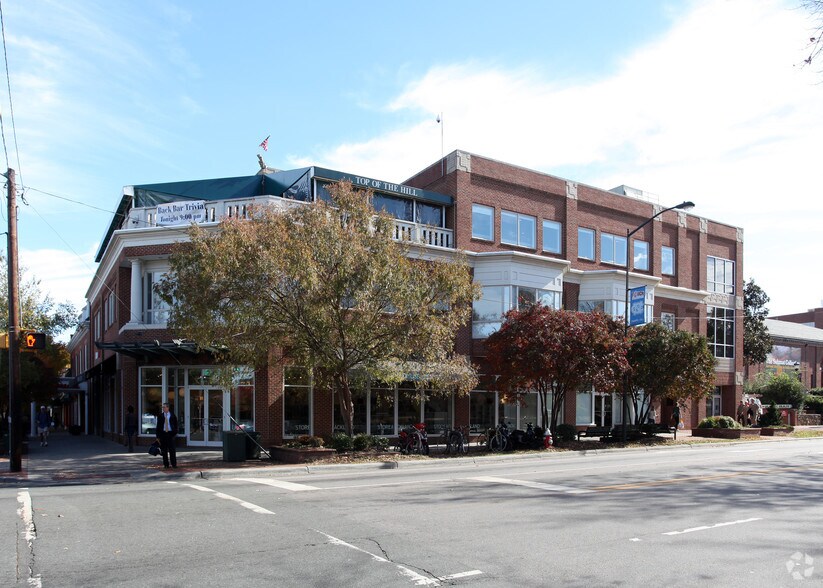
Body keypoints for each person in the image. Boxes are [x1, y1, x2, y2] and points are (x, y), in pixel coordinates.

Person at [155, 403, 178, 469]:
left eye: (164, 407)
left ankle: (174, 464)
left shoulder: (172, 415)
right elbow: (158, 427)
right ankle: (166, 464)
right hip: (163, 434)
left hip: (170, 434)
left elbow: (176, 425)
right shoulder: (161, 416)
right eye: (163, 407)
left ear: (168, 408)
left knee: (172, 450)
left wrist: (175, 432)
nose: (163, 409)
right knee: (164, 450)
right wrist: (157, 436)